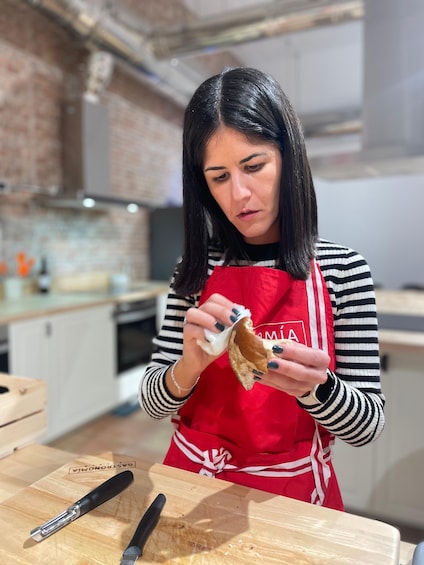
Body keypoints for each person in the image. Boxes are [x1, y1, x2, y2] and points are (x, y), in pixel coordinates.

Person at [140, 67, 384, 511]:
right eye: (219, 177)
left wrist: (317, 388)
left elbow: (367, 426)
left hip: (291, 501)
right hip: (193, 483)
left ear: (288, 157)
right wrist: (188, 367)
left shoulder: (343, 269)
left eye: (253, 166)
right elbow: (152, 402)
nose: (239, 195)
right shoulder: (195, 269)